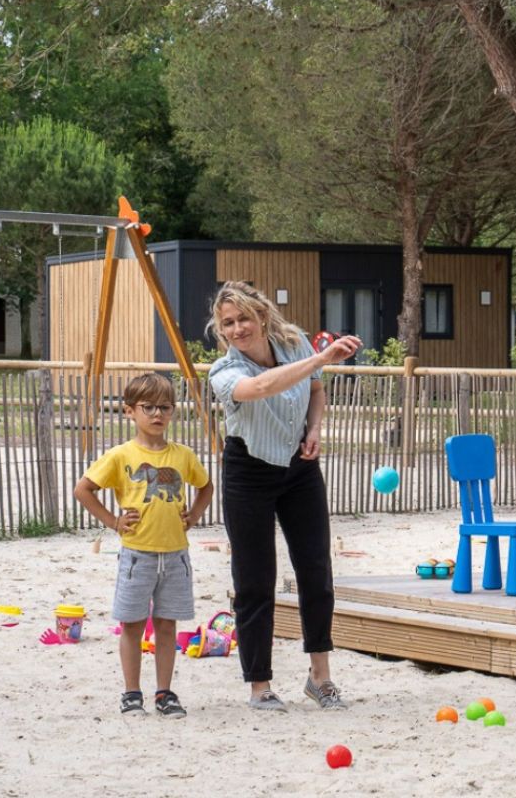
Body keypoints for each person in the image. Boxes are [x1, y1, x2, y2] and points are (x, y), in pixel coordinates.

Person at [207, 281, 363, 711]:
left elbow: (314, 389)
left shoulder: (293, 343)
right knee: (255, 578)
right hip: (248, 470)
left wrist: (314, 429)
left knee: (316, 568)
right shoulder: (224, 371)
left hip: (299, 466)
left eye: (243, 318)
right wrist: (321, 358)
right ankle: (260, 685)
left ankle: (320, 677)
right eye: (228, 323)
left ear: (261, 316)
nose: (237, 329)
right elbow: (261, 388)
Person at [74, 372, 213, 717]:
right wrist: (114, 522)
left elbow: (205, 486)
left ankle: (164, 692)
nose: (157, 414)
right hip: (137, 555)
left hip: (176, 556)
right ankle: (131, 692)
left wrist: (194, 515)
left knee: (166, 625)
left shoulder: (183, 455)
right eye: (148, 407)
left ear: (173, 411)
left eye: (164, 407)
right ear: (129, 411)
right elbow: (83, 489)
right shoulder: (120, 456)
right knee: (133, 625)